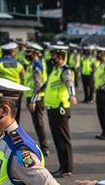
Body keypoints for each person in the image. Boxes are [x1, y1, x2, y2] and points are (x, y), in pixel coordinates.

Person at [43, 44, 76, 177]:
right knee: (57, 139)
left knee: (63, 139)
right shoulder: (55, 71)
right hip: (52, 109)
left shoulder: (65, 71)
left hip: (60, 109)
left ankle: (67, 168)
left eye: (55, 57)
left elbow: (69, 83)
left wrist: (72, 95)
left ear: (61, 57)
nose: (53, 59)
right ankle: (62, 166)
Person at [23, 42, 50, 158]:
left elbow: (38, 86)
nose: (26, 54)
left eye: (29, 52)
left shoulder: (37, 66)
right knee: (37, 123)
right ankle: (43, 146)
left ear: (35, 53)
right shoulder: (33, 64)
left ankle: (45, 148)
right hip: (33, 97)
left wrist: (32, 100)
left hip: (37, 98)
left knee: (39, 124)